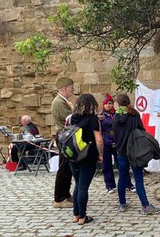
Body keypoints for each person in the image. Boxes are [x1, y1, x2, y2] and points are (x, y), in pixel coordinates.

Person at [113, 94, 160, 215]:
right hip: (134, 151)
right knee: (138, 179)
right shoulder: (134, 115)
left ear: (118, 104)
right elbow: (141, 130)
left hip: (121, 151)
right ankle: (145, 206)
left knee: (122, 177)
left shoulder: (115, 117)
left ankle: (122, 203)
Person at [69, 94, 103, 225]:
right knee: (83, 186)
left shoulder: (73, 118)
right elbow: (98, 139)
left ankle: (76, 215)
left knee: (78, 184)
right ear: (92, 105)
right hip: (88, 155)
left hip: (73, 156)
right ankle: (83, 217)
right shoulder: (93, 119)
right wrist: (101, 155)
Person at [99, 93, 135, 194]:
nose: (108, 106)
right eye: (106, 104)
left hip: (117, 140)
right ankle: (109, 185)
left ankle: (128, 184)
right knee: (107, 164)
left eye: (110, 103)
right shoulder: (101, 116)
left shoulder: (117, 114)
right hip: (106, 140)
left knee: (122, 164)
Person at [51, 77, 74, 208]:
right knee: (64, 167)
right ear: (64, 88)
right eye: (71, 87)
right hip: (64, 135)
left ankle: (65, 193)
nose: (72, 89)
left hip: (66, 135)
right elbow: (69, 119)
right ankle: (59, 199)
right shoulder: (59, 102)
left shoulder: (63, 101)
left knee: (68, 167)